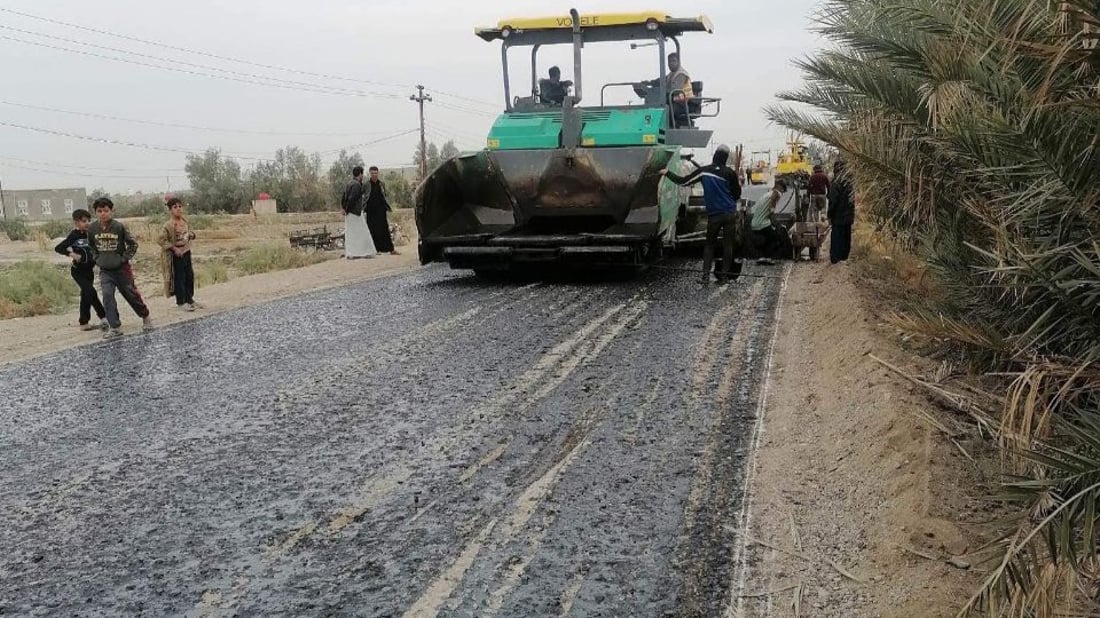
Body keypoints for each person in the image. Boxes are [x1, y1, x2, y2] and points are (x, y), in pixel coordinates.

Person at [660, 144, 743, 285]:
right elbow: (737, 194)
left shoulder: (704, 172)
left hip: (715, 215)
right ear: (725, 158)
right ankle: (723, 277)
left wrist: (667, 172)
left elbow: (684, 181)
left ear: (714, 155)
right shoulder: (729, 173)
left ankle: (705, 277)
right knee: (728, 245)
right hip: (729, 213)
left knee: (709, 245)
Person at [87, 197, 152, 338]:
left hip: (121, 270)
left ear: (111, 211)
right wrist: (97, 258)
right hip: (105, 270)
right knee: (107, 295)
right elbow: (91, 246)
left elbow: (133, 244)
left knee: (131, 294)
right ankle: (115, 327)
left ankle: (145, 316)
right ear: (95, 212)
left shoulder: (118, 227)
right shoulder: (92, 229)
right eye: (99, 211)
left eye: (106, 210)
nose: (103, 213)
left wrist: (123, 259)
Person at [54, 208, 107, 332]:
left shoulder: (91, 234)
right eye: (83, 221)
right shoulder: (74, 235)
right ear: (76, 223)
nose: (87, 223)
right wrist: (73, 255)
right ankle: (104, 317)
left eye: (88, 220)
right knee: (91, 292)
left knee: (86, 295)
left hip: (89, 271)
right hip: (78, 271)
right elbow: (59, 248)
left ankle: (84, 322)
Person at [158, 197, 198, 311]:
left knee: (189, 276)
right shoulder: (168, 225)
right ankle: (181, 302)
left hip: (186, 252)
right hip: (176, 255)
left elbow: (191, 233)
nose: (178, 209)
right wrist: (174, 248)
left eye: (180, 206)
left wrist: (191, 235)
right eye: (175, 207)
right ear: (170, 210)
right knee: (179, 278)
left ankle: (190, 299)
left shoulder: (185, 221)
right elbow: (160, 240)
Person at [635, 53, 694, 126]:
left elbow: (674, 90)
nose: (671, 64)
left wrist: (660, 91)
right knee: (656, 106)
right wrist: (649, 83)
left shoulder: (681, 74)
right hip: (674, 101)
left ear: (679, 62)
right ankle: (649, 126)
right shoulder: (671, 74)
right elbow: (661, 81)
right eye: (669, 62)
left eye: (673, 61)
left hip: (684, 103)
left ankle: (668, 128)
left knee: (666, 110)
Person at [340, 165, 377, 259]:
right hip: (355, 212)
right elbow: (352, 199)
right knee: (362, 232)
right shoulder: (356, 185)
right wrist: (347, 209)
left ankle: (352, 252)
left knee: (351, 233)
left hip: (349, 212)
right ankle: (363, 252)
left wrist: (344, 208)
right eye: (362, 174)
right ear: (360, 174)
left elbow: (344, 197)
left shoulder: (349, 183)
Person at [363, 166, 399, 256]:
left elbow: (384, 195)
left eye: (375, 173)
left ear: (378, 173)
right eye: (372, 173)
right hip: (371, 211)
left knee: (384, 230)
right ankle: (375, 250)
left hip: (381, 210)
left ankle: (391, 249)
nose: (374, 175)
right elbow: (362, 195)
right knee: (372, 230)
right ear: (370, 174)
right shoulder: (366, 184)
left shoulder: (381, 184)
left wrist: (387, 206)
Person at [751, 180, 787, 264]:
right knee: (777, 237)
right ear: (779, 186)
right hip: (762, 223)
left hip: (754, 223)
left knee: (768, 238)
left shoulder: (767, 194)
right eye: (783, 190)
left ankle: (762, 257)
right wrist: (776, 224)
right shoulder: (776, 193)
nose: (782, 193)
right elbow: (771, 210)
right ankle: (769, 257)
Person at [827, 160, 855, 264]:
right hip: (848, 216)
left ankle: (835, 258)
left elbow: (833, 201)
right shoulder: (849, 182)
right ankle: (844, 256)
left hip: (838, 217)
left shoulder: (836, 183)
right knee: (846, 236)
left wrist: (829, 215)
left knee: (837, 237)